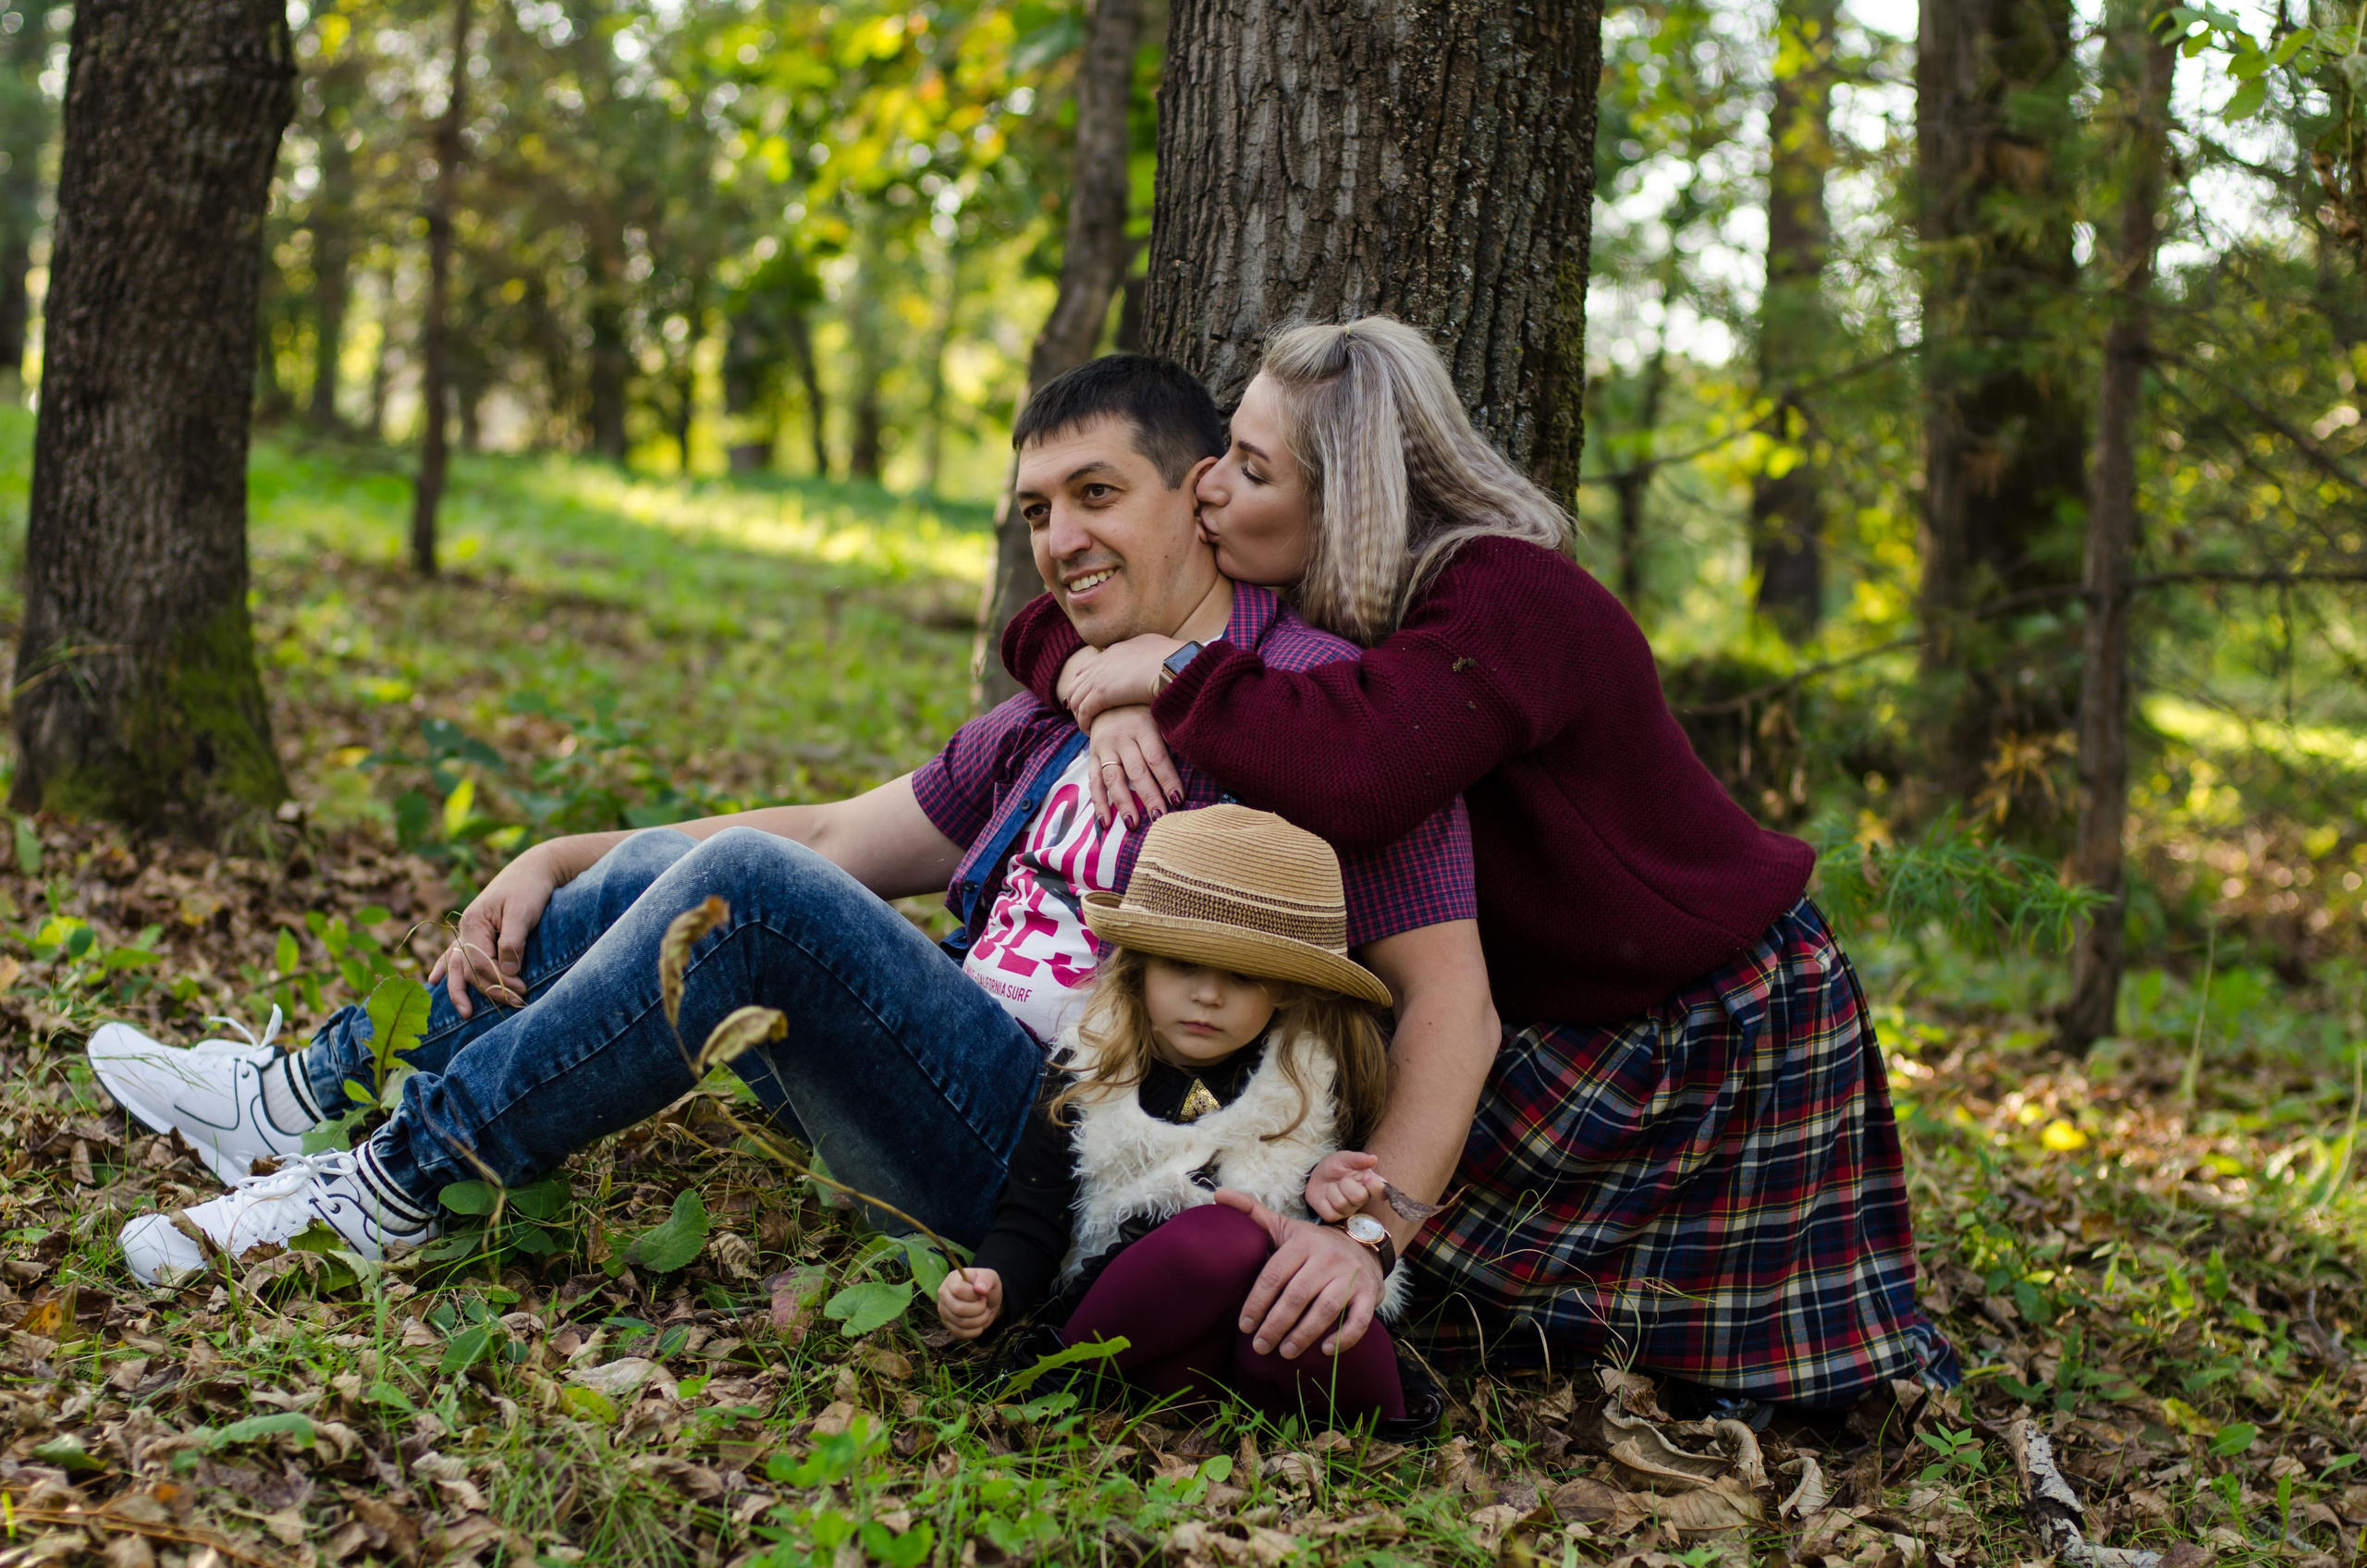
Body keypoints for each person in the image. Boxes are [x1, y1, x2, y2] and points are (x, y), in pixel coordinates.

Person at [92, 355, 1496, 1374]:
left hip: (1064, 1162)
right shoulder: (1051, 706)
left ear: (1201, 496)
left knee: (757, 902)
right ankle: (300, 1098)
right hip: (932, 1067)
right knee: (681, 861)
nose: (1061, 540)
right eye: (1034, 511)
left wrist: (1375, 1242)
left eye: (1095, 494)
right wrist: (556, 850)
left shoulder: (1325, 711)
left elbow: (1452, 1001)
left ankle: (397, 1180)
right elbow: (834, 837)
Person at [1000, 317, 1958, 1412]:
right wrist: (1102, 686)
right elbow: (1049, 619)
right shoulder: (1329, 600)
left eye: (1252, 468)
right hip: (1553, 1009)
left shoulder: (1509, 598)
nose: (1209, 488)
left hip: (1712, 1014)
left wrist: (1162, 672)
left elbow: (1359, 770)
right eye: (1219, 452)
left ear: (1344, 497)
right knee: (1472, 1292)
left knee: (1781, 1381)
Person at [937, 805, 1412, 1426]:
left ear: (1287, 990)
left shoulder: (1311, 1078)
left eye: (1242, 977)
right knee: (1223, 1237)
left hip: (1259, 1340)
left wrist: (1329, 1194)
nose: (1208, 996)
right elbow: (1033, 1218)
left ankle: (1359, 1430)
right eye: (1182, 965)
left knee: (1326, 1311)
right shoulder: (1091, 1066)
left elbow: (1315, 1228)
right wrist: (994, 1283)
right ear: (1138, 965)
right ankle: (1057, 1379)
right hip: (1140, 1328)